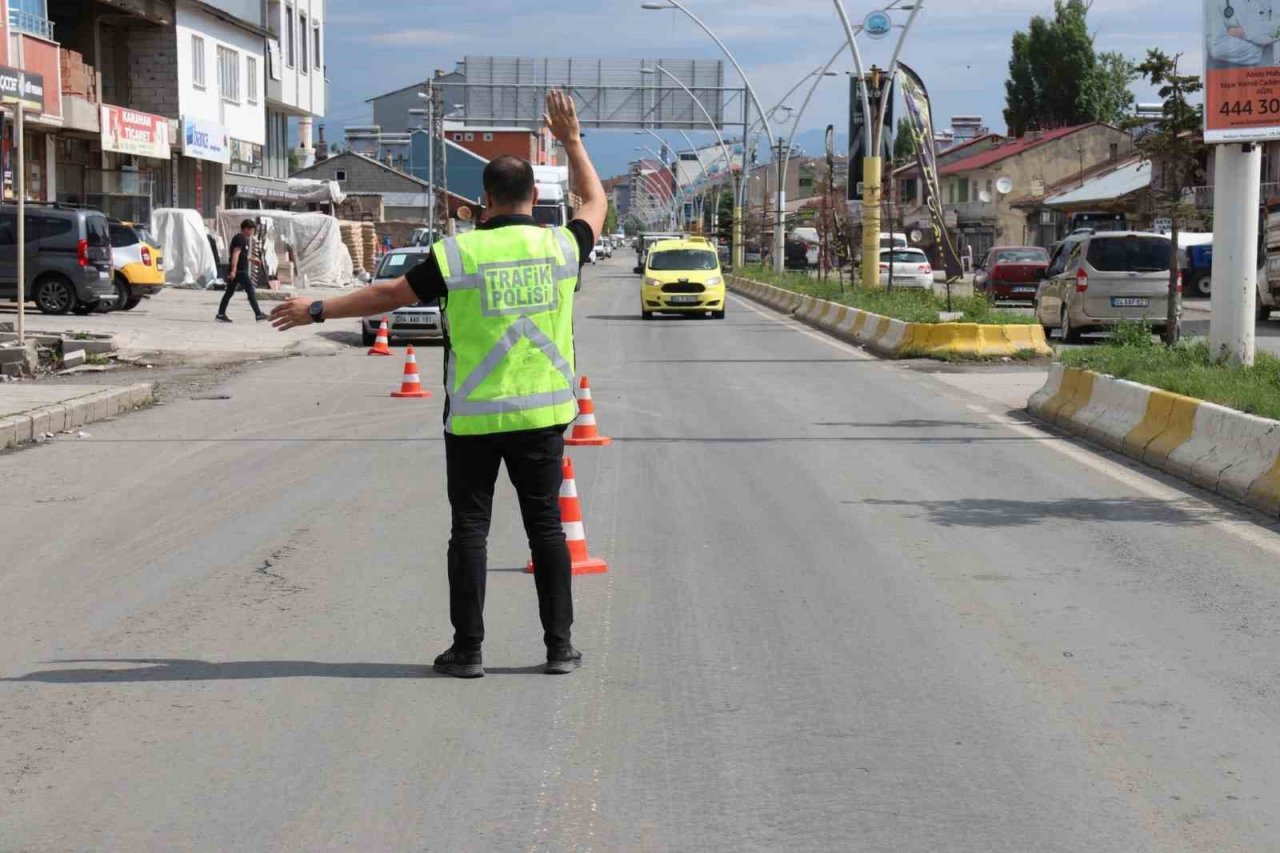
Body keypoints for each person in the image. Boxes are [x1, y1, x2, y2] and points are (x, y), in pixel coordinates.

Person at [269, 91, 607, 679]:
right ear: (534, 197)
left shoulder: (458, 253)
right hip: (544, 417)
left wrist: (317, 309)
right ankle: (559, 648)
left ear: (484, 201)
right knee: (548, 530)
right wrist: (572, 141)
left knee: (469, 533)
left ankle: (468, 650)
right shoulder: (561, 246)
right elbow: (597, 200)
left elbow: (388, 297)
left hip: (474, 419)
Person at [216, 219, 268, 323]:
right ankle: (258, 314)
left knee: (229, 292)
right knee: (250, 290)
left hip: (237, 270)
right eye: (251, 230)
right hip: (240, 271)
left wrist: (253, 259)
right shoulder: (240, 238)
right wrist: (234, 271)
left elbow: (242, 256)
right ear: (245, 229)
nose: (251, 232)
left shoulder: (242, 239)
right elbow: (235, 254)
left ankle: (221, 314)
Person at [1207, 0, 1277, 68]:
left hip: (1264, 73)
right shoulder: (1213, 2)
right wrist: (1261, 51)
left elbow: (1278, 30)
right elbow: (1217, 47)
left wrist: (1245, 32)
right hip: (1226, 73)